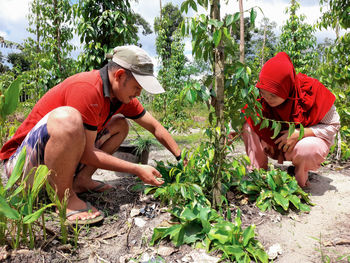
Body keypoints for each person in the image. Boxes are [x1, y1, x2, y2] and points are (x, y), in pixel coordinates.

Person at [0, 45, 183, 224]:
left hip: (53, 164)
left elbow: (155, 128)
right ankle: (65, 199)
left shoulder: (120, 97)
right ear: (119, 76)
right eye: (137, 86)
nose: (139, 93)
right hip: (22, 168)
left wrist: (180, 158)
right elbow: (87, 154)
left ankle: (81, 180)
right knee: (69, 119)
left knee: (120, 124)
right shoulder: (87, 88)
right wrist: (137, 169)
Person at [241, 52, 340, 188]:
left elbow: (333, 125)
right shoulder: (260, 97)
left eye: (273, 94)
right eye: (264, 92)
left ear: (287, 88)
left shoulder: (312, 91)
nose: (267, 98)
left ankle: (300, 179)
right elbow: (242, 118)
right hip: (275, 145)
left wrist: (299, 133)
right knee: (248, 124)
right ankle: (258, 173)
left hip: (301, 145)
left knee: (308, 148)